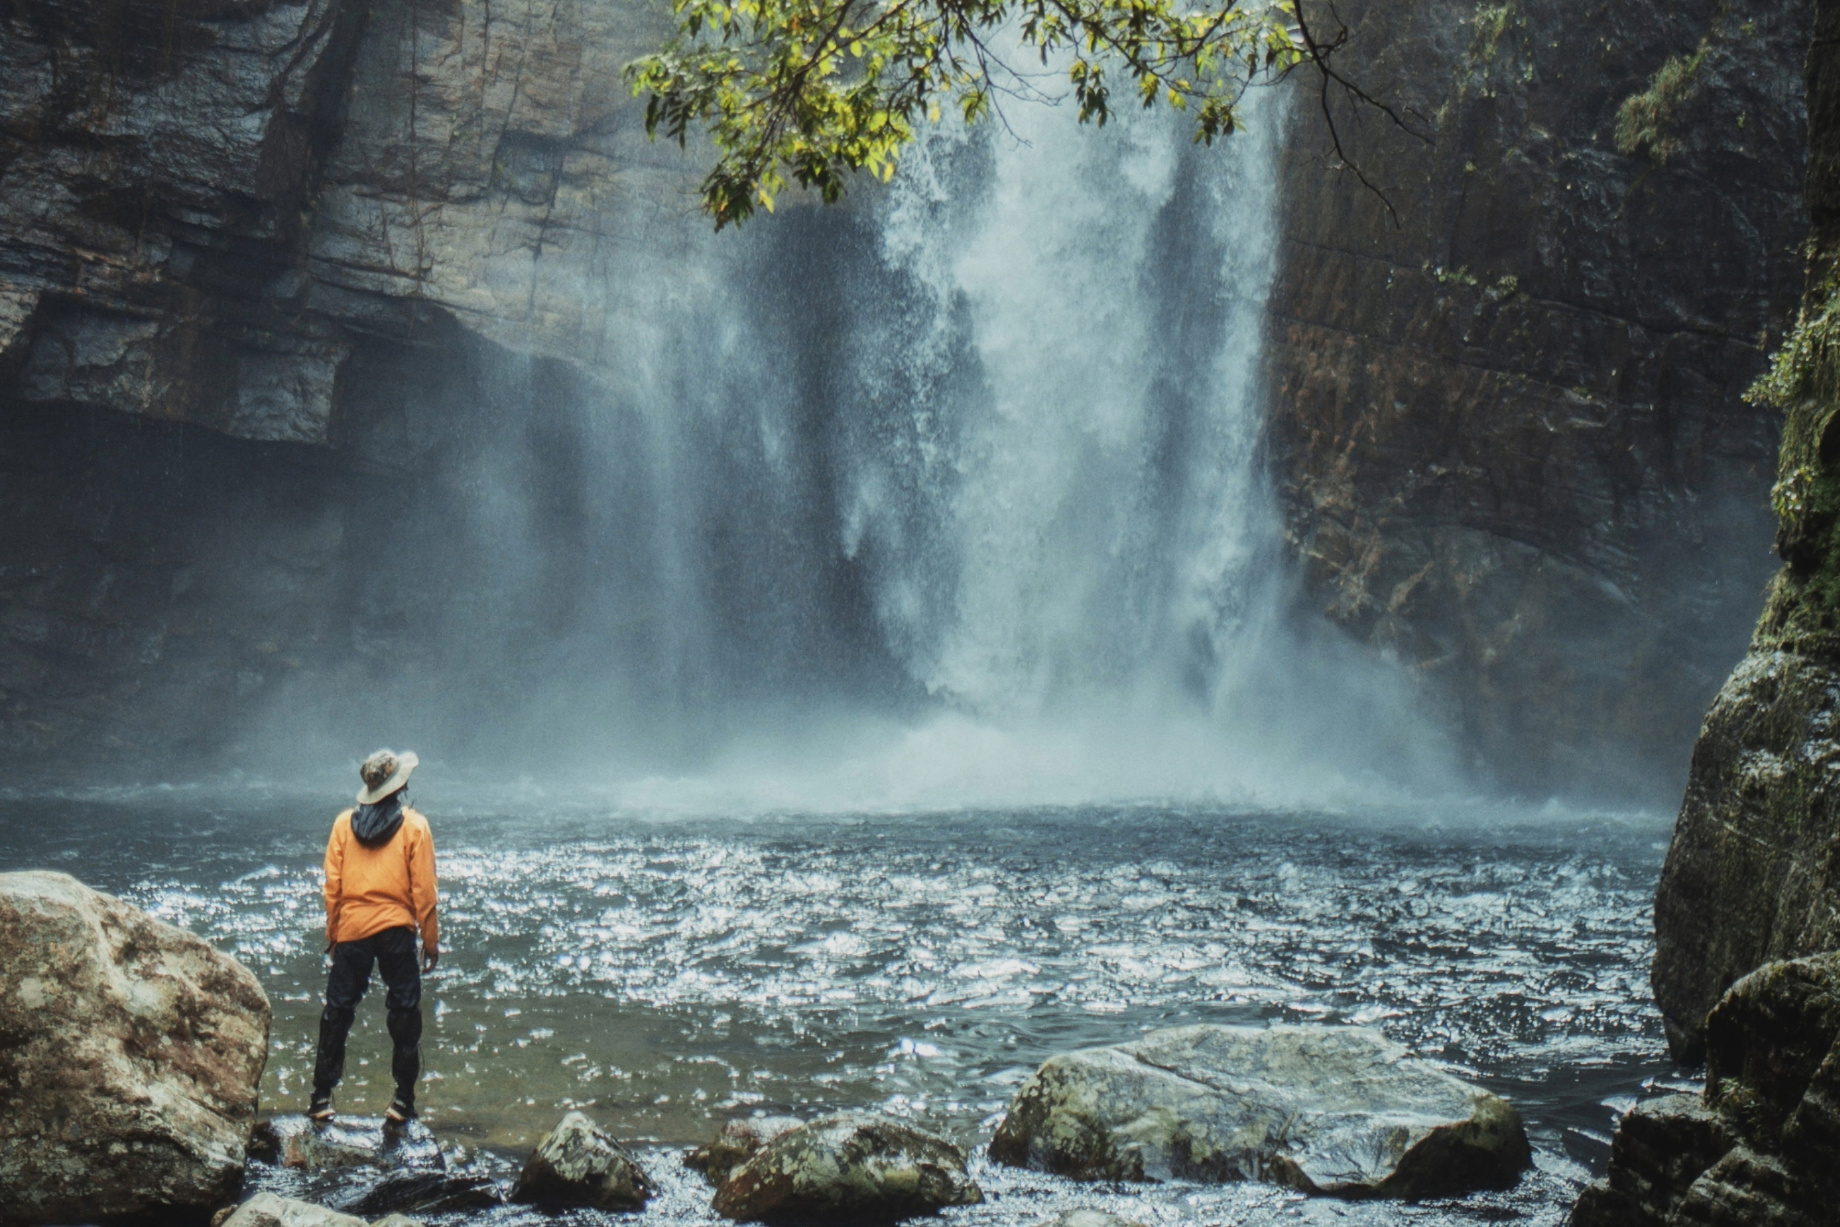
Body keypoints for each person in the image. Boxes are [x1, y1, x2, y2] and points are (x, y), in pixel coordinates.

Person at [308, 749, 440, 1124]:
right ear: (401, 785)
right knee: (404, 1014)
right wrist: (429, 941)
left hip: (352, 928)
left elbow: (332, 886)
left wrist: (333, 934)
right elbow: (424, 892)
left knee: (338, 1012)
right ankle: (402, 1102)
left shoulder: (342, 825)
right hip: (397, 931)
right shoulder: (415, 827)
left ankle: (320, 1098)